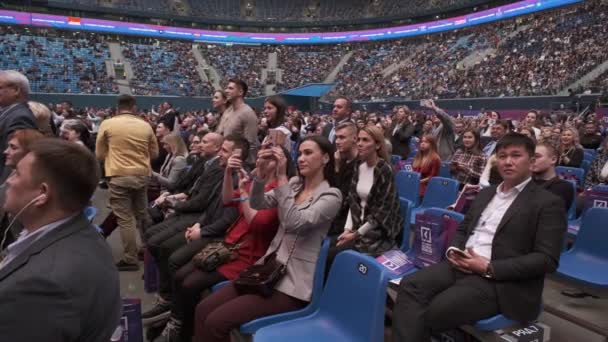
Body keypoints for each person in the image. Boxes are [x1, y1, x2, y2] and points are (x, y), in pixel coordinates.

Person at [392, 133, 567, 341]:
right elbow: (463, 230)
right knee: (410, 286)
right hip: (461, 265)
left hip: (499, 280)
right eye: (502, 156)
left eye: (516, 155)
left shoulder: (548, 203)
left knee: (435, 309)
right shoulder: (486, 193)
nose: (508, 162)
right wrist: (453, 251)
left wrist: (487, 267)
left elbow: (547, 260)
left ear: (531, 162)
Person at [192, 136, 342, 342]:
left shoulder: (331, 197)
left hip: (292, 286)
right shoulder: (296, 184)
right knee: (203, 309)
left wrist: (281, 178)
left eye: (309, 153)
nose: (301, 158)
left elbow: (293, 223)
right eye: (300, 153)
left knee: (216, 322)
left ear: (325, 158)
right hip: (267, 271)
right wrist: (260, 176)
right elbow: (258, 202)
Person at [154, 146, 291, 342]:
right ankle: (178, 324)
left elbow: (258, 224)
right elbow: (227, 199)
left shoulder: (278, 189)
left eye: (269, 158)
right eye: (261, 157)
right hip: (230, 245)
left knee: (190, 284)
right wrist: (229, 173)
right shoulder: (255, 183)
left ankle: (182, 331)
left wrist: (244, 192)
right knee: (180, 274)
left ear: (281, 163)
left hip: (248, 254)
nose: (261, 161)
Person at [0, 139, 121, 341]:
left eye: (17, 173)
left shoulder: (39, 287)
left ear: (42, 194)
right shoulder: (86, 236)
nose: (9, 181)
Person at [96, 94, 159, 271]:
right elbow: (154, 154)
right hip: (141, 175)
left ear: (118, 107)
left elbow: (100, 155)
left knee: (124, 218)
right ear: (134, 108)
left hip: (119, 175)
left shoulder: (108, 124)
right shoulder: (145, 125)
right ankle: (148, 249)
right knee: (142, 214)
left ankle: (130, 258)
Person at [329, 125, 402, 268]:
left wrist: (355, 235)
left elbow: (381, 214)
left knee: (333, 256)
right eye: (359, 140)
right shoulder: (359, 166)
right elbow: (352, 201)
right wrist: (347, 230)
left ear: (377, 145)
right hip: (357, 227)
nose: (360, 144)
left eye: (365, 140)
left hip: (377, 233)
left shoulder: (384, 170)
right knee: (324, 248)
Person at [0, 129, 44, 248]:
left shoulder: (35, 188)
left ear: (30, 153)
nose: (5, 151)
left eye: (13, 148)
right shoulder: (12, 172)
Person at [0, 70, 38, 182]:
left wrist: (3, 193)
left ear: (16, 90)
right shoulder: (10, 113)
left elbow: (15, 160)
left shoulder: (20, 117)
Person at [217, 79, 258, 165]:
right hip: (223, 158)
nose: (226, 91)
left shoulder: (248, 113)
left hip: (237, 163)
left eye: (230, 88)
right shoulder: (228, 111)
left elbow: (251, 144)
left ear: (240, 92)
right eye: (226, 88)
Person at [329, 121, 358, 239]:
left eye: (342, 137)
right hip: (340, 216)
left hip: (349, 222)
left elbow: (341, 195)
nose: (337, 141)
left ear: (355, 138)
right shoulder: (344, 160)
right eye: (336, 137)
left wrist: (337, 168)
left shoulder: (360, 165)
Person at [531, 142, 574, 210]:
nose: (532, 160)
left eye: (537, 156)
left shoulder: (563, 187)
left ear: (553, 160)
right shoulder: (524, 182)